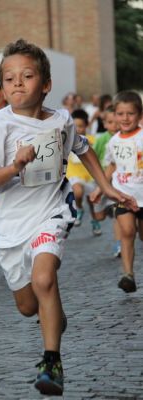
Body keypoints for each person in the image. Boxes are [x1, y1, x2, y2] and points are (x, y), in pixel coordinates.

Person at [0, 39, 138, 396]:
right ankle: (53, 315)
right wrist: (15, 165)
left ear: (46, 84)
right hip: (9, 224)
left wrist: (107, 188)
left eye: (27, 76)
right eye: (8, 79)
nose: (17, 84)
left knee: (45, 278)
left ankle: (51, 361)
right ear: (2, 87)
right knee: (26, 306)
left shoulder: (62, 120)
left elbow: (83, 149)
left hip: (52, 210)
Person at [91, 91, 143, 293]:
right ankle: (128, 275)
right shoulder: (113, 142)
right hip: (122, 193)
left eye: (130, 113)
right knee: (127, 231)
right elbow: (111, 166)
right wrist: (100, 187)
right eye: (121, 114)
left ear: (139, 115)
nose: (125, 118)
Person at [66, 109, 102, 235]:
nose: (78, 129)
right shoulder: (68, 139)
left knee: (92, 201)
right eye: (75, 126)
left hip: (90, 176)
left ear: (86, 125)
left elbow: (98, 154)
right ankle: (79, 208)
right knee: (78, 191)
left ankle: (95, 221)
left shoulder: (92, 140)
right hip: (74, 175)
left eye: (81, 126)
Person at [93, 106, 121, 257]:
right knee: (100, 216)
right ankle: (99, 216)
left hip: (120, 182)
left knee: (118, 213)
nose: (114, 126)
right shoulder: (102, 139)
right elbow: (93, 157)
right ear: (104, 124)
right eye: (110, 122)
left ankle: (119, 244)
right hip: (104, 181)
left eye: (116, 122)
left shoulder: (124, 136)